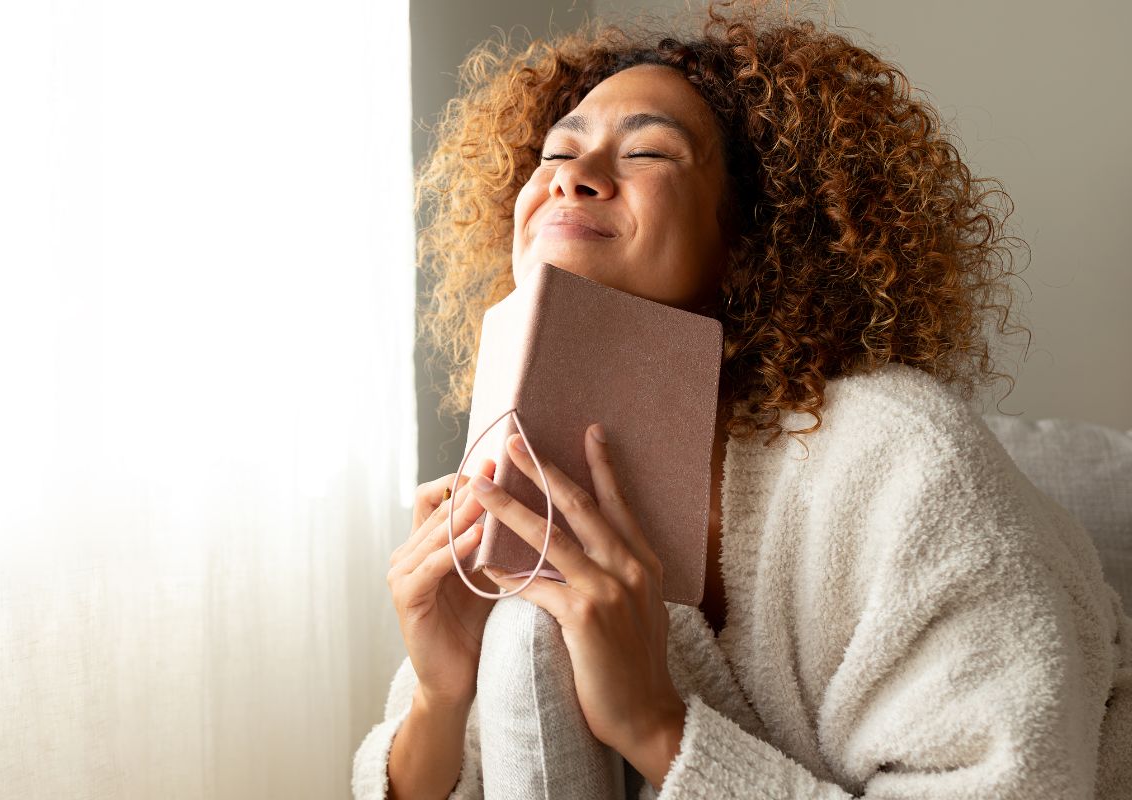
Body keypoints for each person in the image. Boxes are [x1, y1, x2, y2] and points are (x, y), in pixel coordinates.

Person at [354, 2, 1132, 798]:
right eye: (558, 150)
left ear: (755, 234)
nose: (569, 176)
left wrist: (655, 724)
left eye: (649, 151)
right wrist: (438, 696)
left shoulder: (900, 457)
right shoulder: (532, 444)